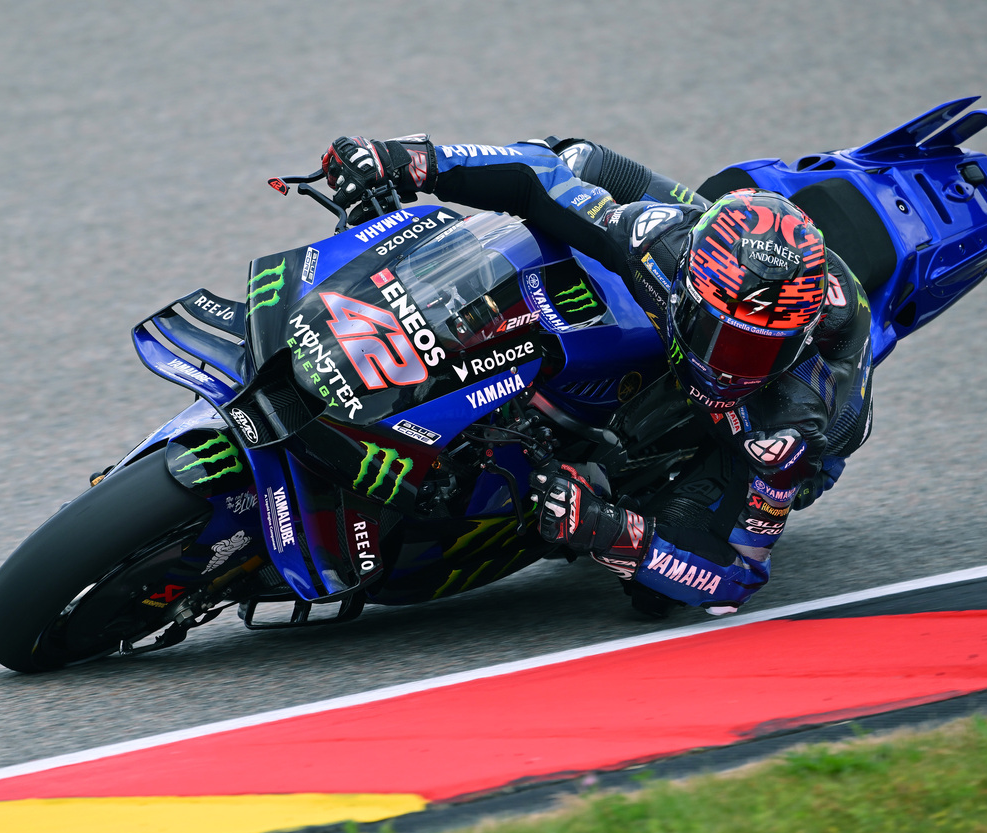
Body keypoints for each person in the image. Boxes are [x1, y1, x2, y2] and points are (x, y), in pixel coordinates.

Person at [321, 134, 874, 617]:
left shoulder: (789, 425)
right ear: (687, 292)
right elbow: (539, 175)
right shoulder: (663, 246)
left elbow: (738, 575)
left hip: (799, 421)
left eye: (755, 351)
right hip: (710, 245)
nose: (726, 362)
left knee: (657, 592)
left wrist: (607, 529)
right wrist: (414, 160)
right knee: (577, 158)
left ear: (797, 341)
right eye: (716, 334)